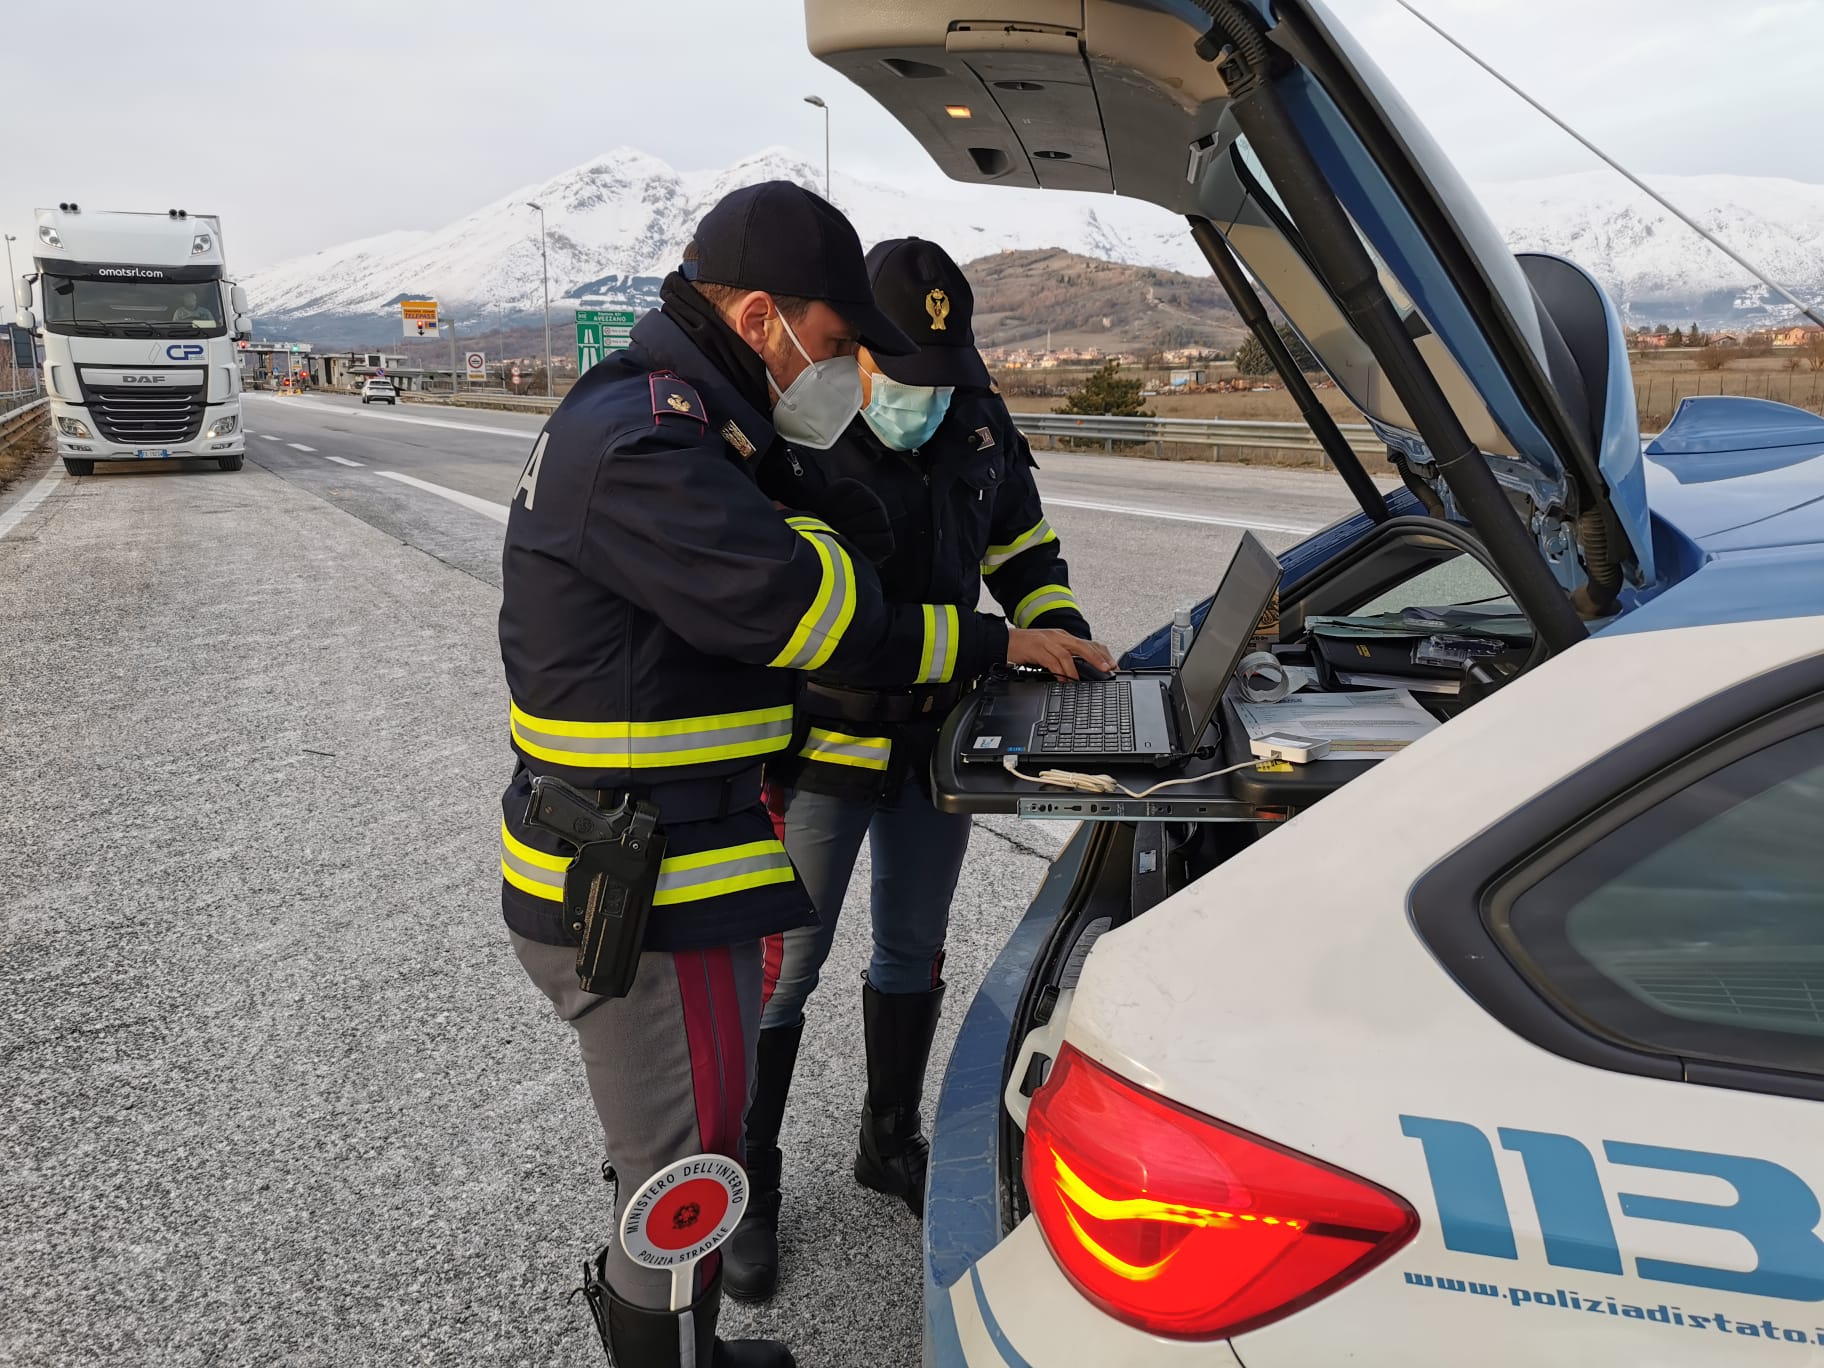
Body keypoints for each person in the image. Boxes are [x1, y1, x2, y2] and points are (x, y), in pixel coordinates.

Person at [496, 184, 1094, 1368]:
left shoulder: (702, 419)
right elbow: (802, 604)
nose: (851, 369)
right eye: (835, 346)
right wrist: (981, 641)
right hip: (649, 866)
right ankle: (703, 1290)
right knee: (687, 1167)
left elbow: (995, 546)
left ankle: (775, 1244)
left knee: (695, 1135)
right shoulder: (663, 437)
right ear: (765, 319)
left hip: (676, 843)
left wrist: (1038, 629)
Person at [722, 237, 1111, 1301]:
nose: (926, 400)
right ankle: (747, 1184)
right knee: (781, 971)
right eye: (904, 374)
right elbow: (842, 625)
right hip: (821, 749)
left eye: (944, 376)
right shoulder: (796, 437)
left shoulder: (977, 417)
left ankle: (888, 1139)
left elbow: (1024, 555)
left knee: (912, 949)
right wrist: (997, 646)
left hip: (939, 743)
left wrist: (1061, 641)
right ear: (854, 353)